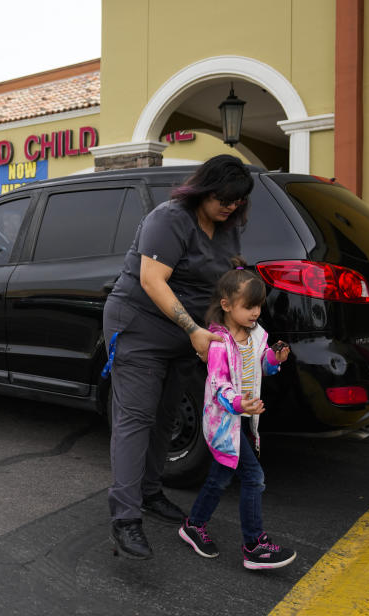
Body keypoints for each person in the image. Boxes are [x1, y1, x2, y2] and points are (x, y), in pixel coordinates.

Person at [103, 154, 253, 559]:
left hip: (188, 334)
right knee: (136, 417)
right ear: (205, 188)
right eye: (224, 197)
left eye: (237, 201)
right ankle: (125, 518)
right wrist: (194, 330)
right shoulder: (169, 218)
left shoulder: (226, 228)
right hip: (140, 325)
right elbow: (153, 280)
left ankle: (150, 493)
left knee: (166, 414)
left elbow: (225, 278)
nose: (230, 206)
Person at [177, 261, 296, 569]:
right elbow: (219, 387)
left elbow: (262, 367)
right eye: (248, 306)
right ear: (226, 305)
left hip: (242, 419)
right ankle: (255, 546)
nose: (255, 313)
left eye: (258, 306)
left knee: (220, 477)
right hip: (223, 421)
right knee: (253, 477)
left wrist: (275, 357)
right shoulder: (218, 343)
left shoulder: (256, 335)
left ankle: (193, 525)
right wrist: (240, 404)